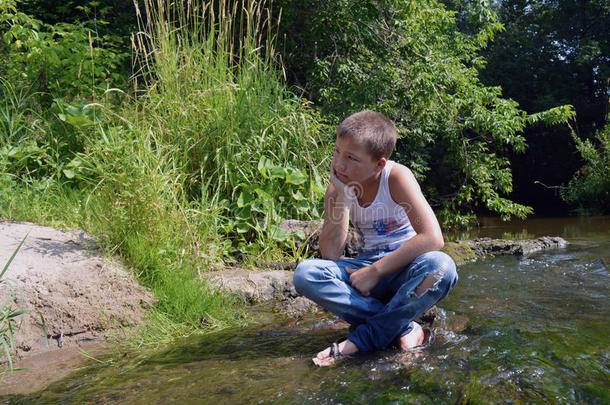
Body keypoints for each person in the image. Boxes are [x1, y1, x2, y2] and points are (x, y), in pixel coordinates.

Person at [293, 110, 458, 367]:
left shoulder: (395, 177)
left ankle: (364, 338)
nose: (339, 165)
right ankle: (403, 328)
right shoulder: (337, 188)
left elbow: (433, 238)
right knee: (306, 273)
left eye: (351, 158)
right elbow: (330, 254)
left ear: (378, 164)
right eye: (337, 152)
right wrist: (343, 200)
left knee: (443, 267)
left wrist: (376, 271)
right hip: (367, 268)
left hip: (406, 267)